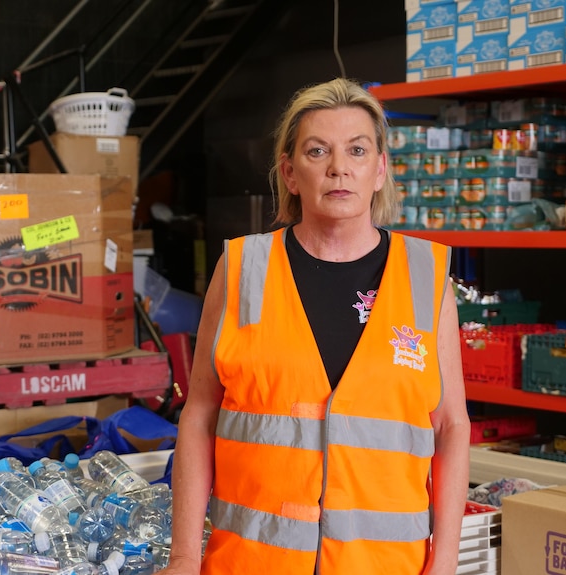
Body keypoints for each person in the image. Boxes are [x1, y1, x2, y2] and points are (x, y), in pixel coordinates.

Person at [158, 77, 471, 575]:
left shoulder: (426, 277)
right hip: (253, 564)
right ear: (290, 173)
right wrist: (181, 558)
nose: (339, 168)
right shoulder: (242, 269)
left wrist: (446, 561)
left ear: (380, 169)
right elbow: (199, 415)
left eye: (357, 150)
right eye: (317, 150)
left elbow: (451, 426)